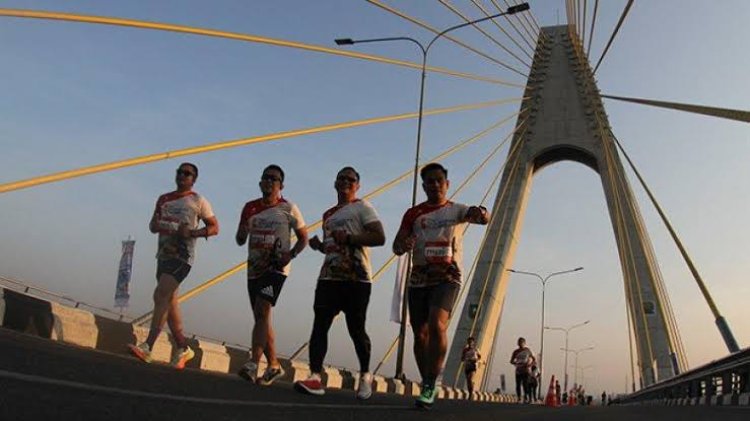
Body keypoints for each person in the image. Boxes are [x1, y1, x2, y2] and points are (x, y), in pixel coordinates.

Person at [392, 162, 490, 408]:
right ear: (424, 186)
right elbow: (396, 246)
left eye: (439, 180)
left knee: (437, 325)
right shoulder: (413, 214)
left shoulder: (456, 210)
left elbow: (482, 218)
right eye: (430, 181)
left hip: (448, 276)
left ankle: (429, 384)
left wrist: (481, 213)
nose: (435, 184)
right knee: (420, 333)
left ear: (447, 185)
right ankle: (427, 379)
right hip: (419, 277)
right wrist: (405, 245)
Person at [294, 167, 385, 400]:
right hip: (329, 277)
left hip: (357, 278)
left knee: (356, 330)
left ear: (358, 185)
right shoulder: (328, 215)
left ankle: (365, 375)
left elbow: (379, 237)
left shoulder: (363, 207)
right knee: (320, 325)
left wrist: (352, 238)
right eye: (342, 178)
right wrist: (319, 247)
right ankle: (315, 377)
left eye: (351, 179)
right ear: (335, 183)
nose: (346, 182)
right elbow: (333, 246)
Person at [128, 162, 219, 369]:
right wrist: (164, 225)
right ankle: (183, 347)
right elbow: (153, 226)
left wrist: (193, 233)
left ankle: (148, 346)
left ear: (193, 179)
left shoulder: (198, 200)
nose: (182, 176)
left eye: (187, 174)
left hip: (182, 256)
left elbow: (214, 227)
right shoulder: (164, 199)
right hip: (163, 255)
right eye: (180, 172)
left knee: (160, 295)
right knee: (170, 302)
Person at [236, 165, 308, 385]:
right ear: (260, 182)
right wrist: (242, 232)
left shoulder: (289, 208)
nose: (269, 181)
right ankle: (274, 365)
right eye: (265, 178)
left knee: (262, 309)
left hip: (276, 269)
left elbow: (303, 238)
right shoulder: (250, 207)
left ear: (281, 185)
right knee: (262, 317)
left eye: (274, 179)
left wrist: (291, 255)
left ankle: (252, 364)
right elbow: (240, 239)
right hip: (254, 269)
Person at [510, 337, 535, 403]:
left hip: (526, 370)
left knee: (525, 384)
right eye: (519, 342)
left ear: (524, 343)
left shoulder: (528, 350)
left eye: (522, 342)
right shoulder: (516, 352)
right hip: (518, 370)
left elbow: (534, 359)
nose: (520, 344)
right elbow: (511, 361)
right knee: (518, 385)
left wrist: (530, 365)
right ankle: (519, 398)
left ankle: (526, 397)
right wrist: (516, 363)